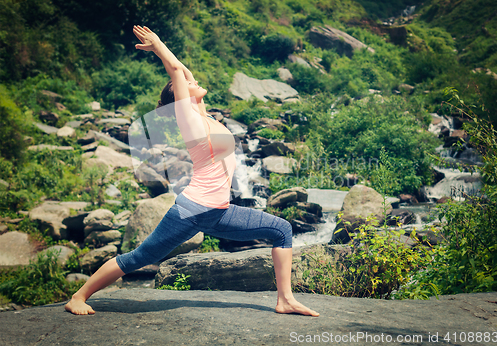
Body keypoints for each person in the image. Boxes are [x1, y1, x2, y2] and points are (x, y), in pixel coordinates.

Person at [65, 25, 319, 317]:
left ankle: (285, 300)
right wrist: (158, 45)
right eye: (182, 85)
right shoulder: (189, 119)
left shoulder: (203, 113)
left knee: (282, 230)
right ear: (180, 99)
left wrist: (174, 65)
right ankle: (78, 296)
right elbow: (175, 70)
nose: (190, 80)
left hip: (219, 211)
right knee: (141, 257)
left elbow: (183, 72)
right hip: (193, 210)